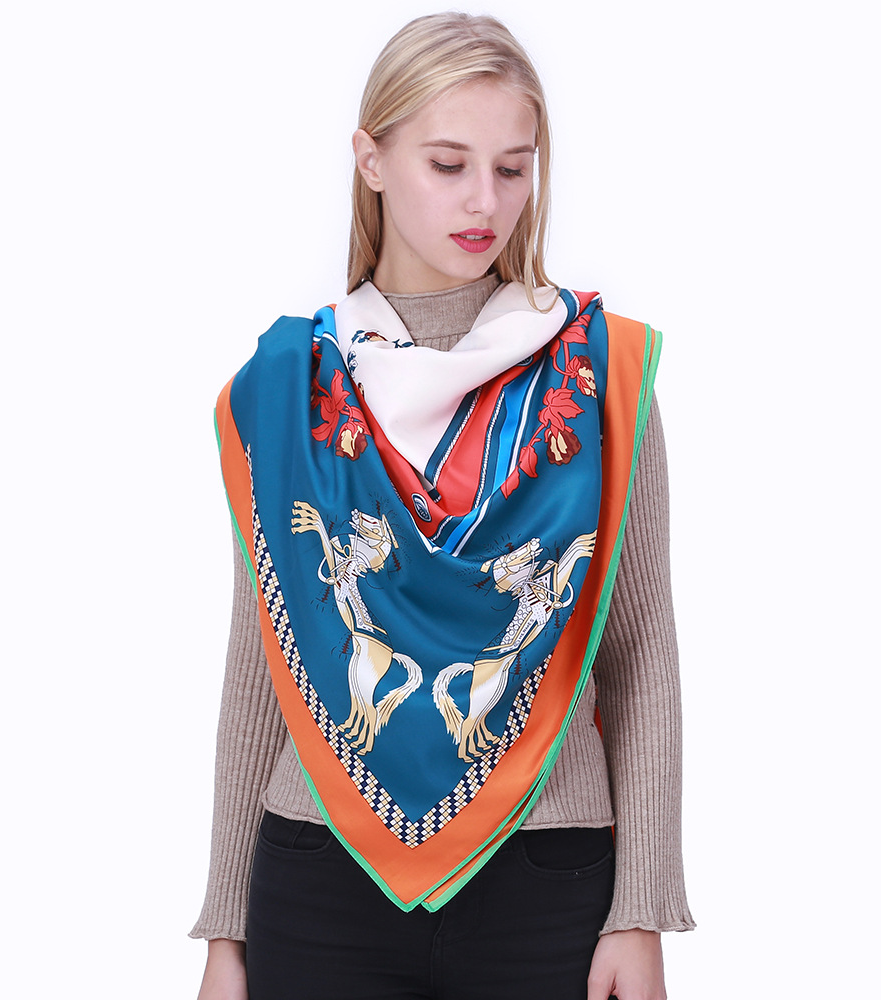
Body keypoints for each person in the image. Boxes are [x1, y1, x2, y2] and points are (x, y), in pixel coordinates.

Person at [192, 12, 693, 1000]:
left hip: (548, 876)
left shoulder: (599, 376)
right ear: (371, 160)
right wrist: (225, 931)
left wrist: (639, 909)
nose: (485, 201)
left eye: (513, 168)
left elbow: (641, 655)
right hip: (317, 873)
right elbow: (263, 658)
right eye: (449, 163)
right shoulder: (286, 386)